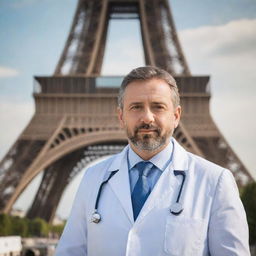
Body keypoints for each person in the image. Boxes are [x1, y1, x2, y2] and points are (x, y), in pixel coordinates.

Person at [55, 66, 250, 256]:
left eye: (158, 107)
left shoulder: (215, 181)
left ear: (176, 116)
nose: (147, 117)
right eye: (136, 107)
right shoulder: (93, 178)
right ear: (121, 116)